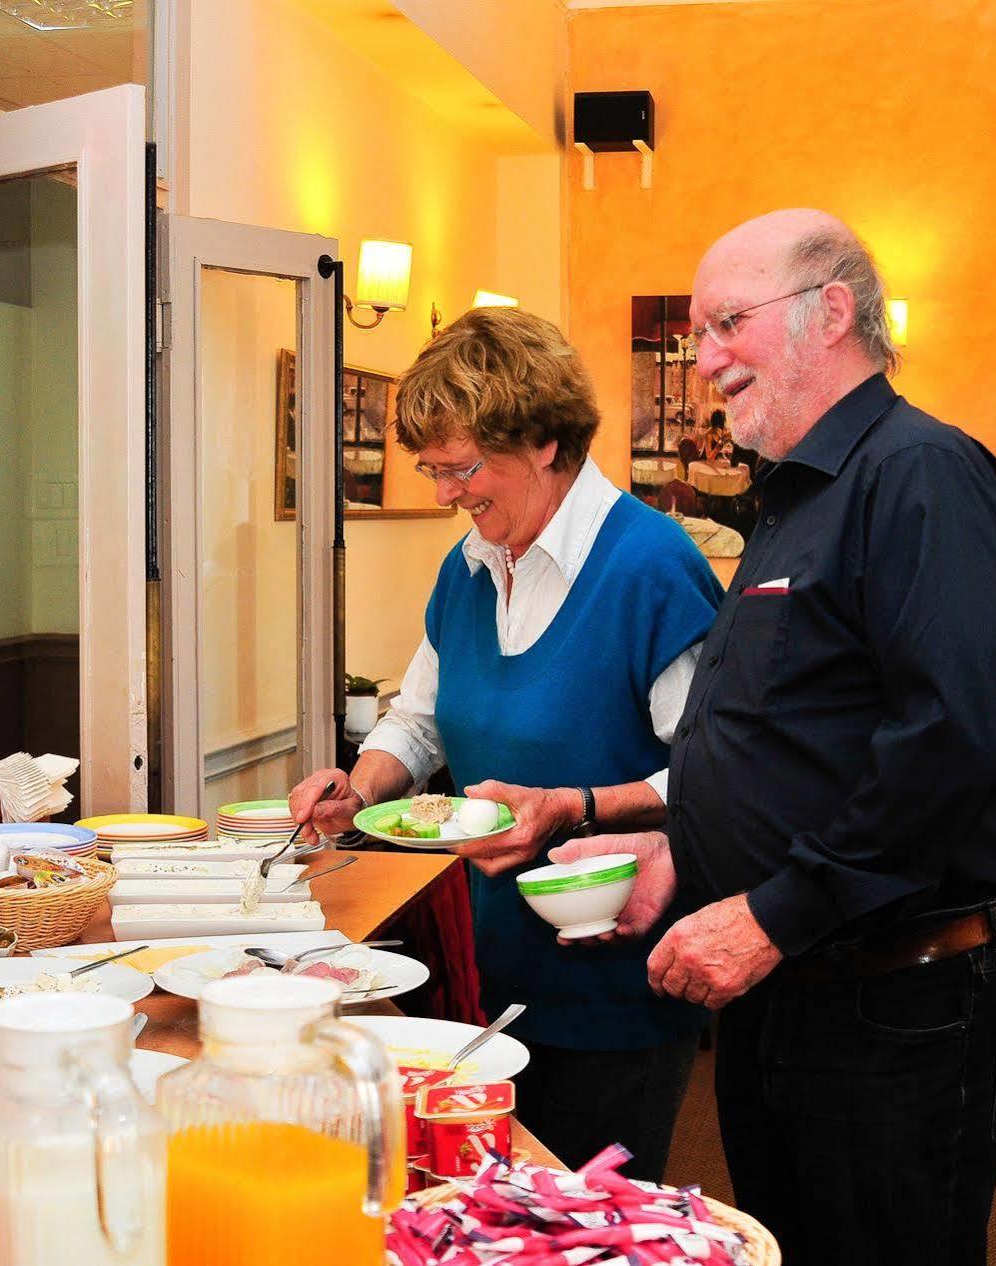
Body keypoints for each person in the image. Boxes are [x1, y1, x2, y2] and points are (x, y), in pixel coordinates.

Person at [554, 209, 996, 1266]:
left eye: (727, 323)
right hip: (785, 987)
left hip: (895, 1005)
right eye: (697, 334)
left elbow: (945, 747)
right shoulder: (789, 498)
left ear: (831, 313)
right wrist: (683, 858)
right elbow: (795, 743)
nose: (704, 361)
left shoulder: (918, 475)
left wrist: (770, 914)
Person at [289, 306, 722, 1181]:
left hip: (611, 974)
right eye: (433, 469)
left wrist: (570, 808)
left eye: (462, 468)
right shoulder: (469, 566)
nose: (446, 493)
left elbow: (715, 775)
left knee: (582, 1220)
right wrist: (360, 786)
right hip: (487, 967)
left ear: (547, 445)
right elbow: (416, 718)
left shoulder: (649, 565)